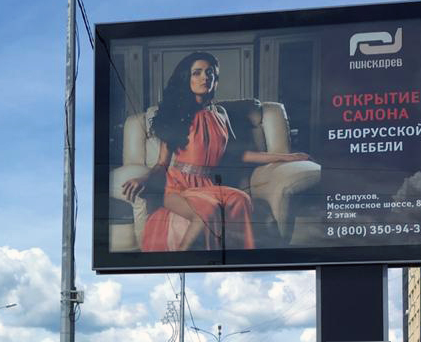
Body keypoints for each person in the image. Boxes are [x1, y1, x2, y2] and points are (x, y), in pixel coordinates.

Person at [121, 51, 311, 252]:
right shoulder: (176, 114)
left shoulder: (221, 114)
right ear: (186, 78)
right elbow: (162, 163)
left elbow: (238, 155)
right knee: (208, 212)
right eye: (197, 73)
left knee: (241, 198)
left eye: (209, 73)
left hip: (207, 185)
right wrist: (144, 179)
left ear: (215, 78)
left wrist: (286, 157)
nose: (205, 77)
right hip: (177, 187)